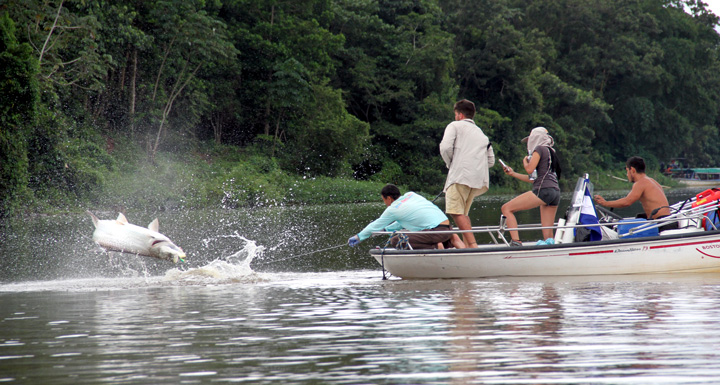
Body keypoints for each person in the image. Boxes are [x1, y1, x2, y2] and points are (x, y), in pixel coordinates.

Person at [439, 99, 495, 248]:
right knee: (463, 213)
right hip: (477, 179)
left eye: (456, 114)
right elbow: (491, 161)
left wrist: (451, 164)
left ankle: (473, 246)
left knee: (455, 212)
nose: (455, 116)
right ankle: (468, 247)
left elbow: (445, 148)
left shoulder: (455, 126)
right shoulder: (481, 134)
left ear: (460, 114)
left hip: (459, 176)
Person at [347, 184, 465, 250]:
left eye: (383, 200)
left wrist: (359, 237)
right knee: (446, 235)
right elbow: (402, 222)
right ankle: (456, 245)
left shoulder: (393, 208)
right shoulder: (411, 195)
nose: (385, 203)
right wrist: (386, 230)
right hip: (447, 228)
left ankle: (437, 245)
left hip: (435, 233)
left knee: (396, 240)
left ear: (388, 198)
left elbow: (376, 224)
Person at [501, 127, 561, 246]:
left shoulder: (539, 149)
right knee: (548, 234)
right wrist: (513, 173)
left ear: (535, 138)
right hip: (555, 192)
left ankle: (516, 242)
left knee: (506, 209)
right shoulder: (551, 152)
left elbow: (529, 169)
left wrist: (525, 161)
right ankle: (550, 250)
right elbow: (533, 179)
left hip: (543, 190)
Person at [594, 157, 676, 231]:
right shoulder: (651, 180)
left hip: (662, 223)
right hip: (665, 220)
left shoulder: (640, 183)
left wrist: (605, 203)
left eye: (627, 171)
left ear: (632, 170)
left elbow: (627, 202)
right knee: (639, 217)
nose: (627, 175)